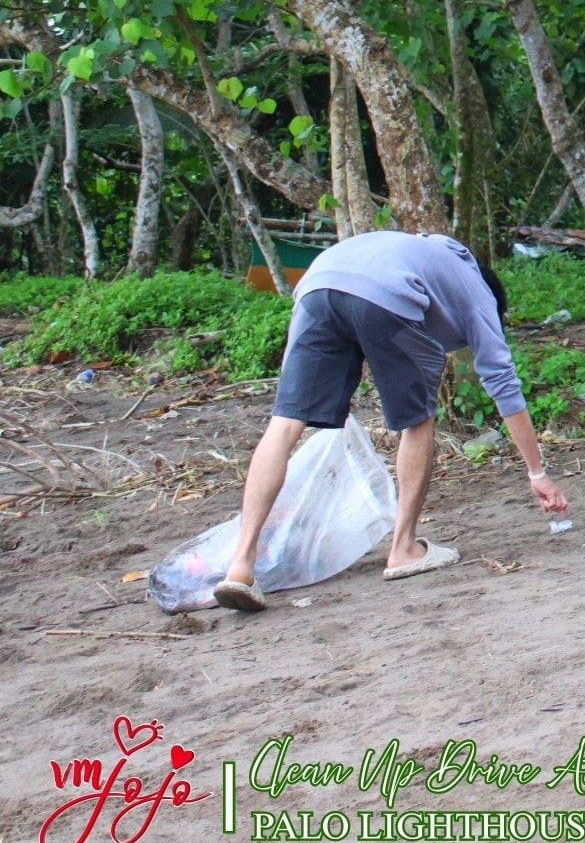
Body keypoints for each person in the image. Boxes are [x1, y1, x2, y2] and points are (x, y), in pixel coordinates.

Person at [213, 231, 567, 612]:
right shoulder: (478, 291)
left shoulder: (423, 252)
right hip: (384, 293)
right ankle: (403, 549)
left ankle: (241, 565)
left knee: (284, 423)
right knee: (418, 420)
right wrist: (536, 472)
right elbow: (500, 378)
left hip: (317, 285)